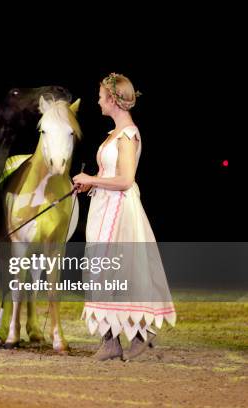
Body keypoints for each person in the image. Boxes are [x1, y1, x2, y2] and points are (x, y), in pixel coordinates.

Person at [72, 73, 176, 361]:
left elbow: (126, 179)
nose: (98, 101)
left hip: (119, 210)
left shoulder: (128, 135)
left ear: (113, 100)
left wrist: (92, 178)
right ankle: (110, 341)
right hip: (104, 207)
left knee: (116, 272)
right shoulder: (114, 134)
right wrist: (91, 183)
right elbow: (110, 175)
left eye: (101, 96)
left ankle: (141, 335)